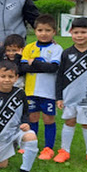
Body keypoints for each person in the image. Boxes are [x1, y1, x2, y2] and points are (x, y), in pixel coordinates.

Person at [54, 17, 87, 168]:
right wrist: (59, 97)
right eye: (76, 32)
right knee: (69, 122)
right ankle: (64, 151)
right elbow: (60, 77)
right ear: (71, 33)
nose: (80, 35)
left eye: (83, 32)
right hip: (69, 96)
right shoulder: (66, 53)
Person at [0, 60, 39, 172]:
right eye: (3, 76)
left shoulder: (20, 93)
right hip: (1, 135)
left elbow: (25, 112)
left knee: (31, 137)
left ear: (16, 78)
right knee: (1, 165)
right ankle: (11, 146)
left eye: (10, 76)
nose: (7, 80)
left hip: (17, 130)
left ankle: (25, 170)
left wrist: (25, 122)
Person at [20, 14, 63, 160]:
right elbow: (23, 67)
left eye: (47, 30)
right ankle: (31, 145)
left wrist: (35, 63)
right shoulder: (29, 47)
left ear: (54, 32)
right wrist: (42, 66)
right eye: (40, 30)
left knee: (48, 119)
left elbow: (53, 68)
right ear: (35, 31)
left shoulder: (57, 49)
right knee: (32, 118)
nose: (43, 33)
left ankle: (48, 149)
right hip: (31, 90)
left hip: (48, 91)